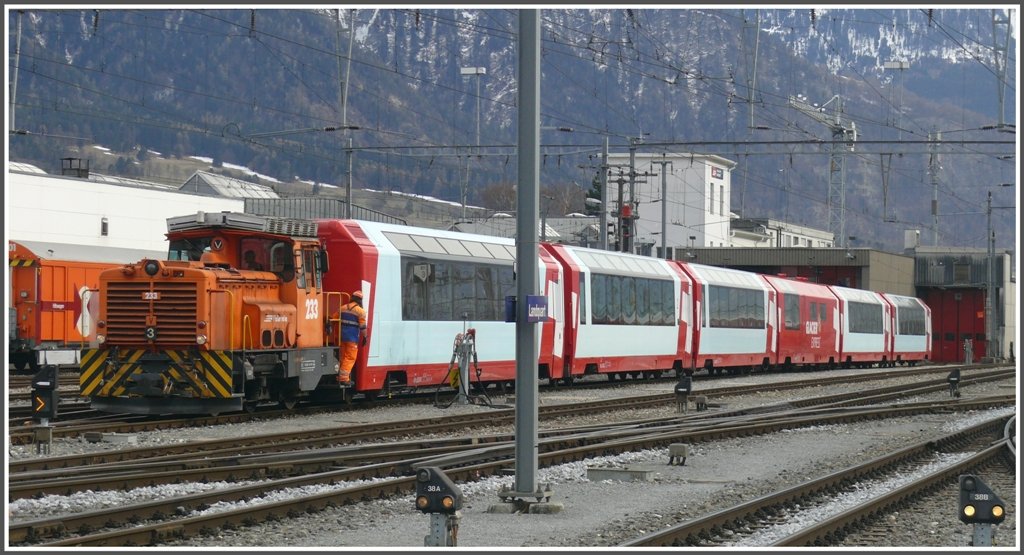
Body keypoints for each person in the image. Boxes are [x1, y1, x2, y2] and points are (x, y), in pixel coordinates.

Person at [338, 290, 367, 385]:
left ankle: (341, 376)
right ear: (360, 300)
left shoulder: (342, 308)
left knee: (343, 357)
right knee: (350, 357)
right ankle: (344, 378)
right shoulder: (361, 311)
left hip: (341, 337)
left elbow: (334, 317)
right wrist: (365, 337)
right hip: (352, 338)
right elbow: (363, 327)